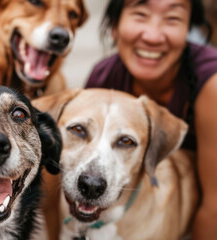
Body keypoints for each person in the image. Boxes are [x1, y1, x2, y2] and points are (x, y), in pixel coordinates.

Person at [85, 0, 217, 238]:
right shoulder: (103, 78)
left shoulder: (212, 87)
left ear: (188, 30)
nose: (154, 36)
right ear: (114, 25)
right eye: (140, 14)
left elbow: (215, 206)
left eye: (173, 18)